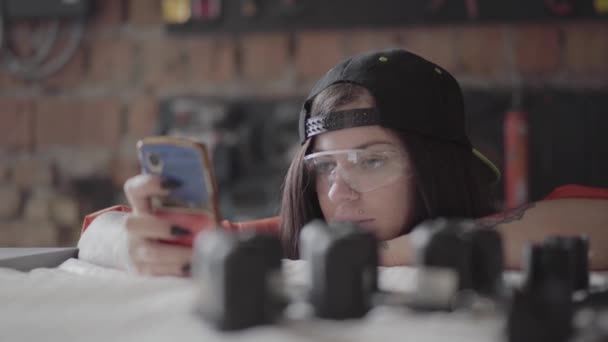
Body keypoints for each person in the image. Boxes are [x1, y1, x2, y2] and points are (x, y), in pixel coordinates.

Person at [78, 49, 608, 276]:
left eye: (371, 161)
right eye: (325, 166)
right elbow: (97, 228)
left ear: (439, 168)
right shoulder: (299, 240)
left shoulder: (497, 231)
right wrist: (137, 242)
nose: (338, 192)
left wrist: (378, 258)